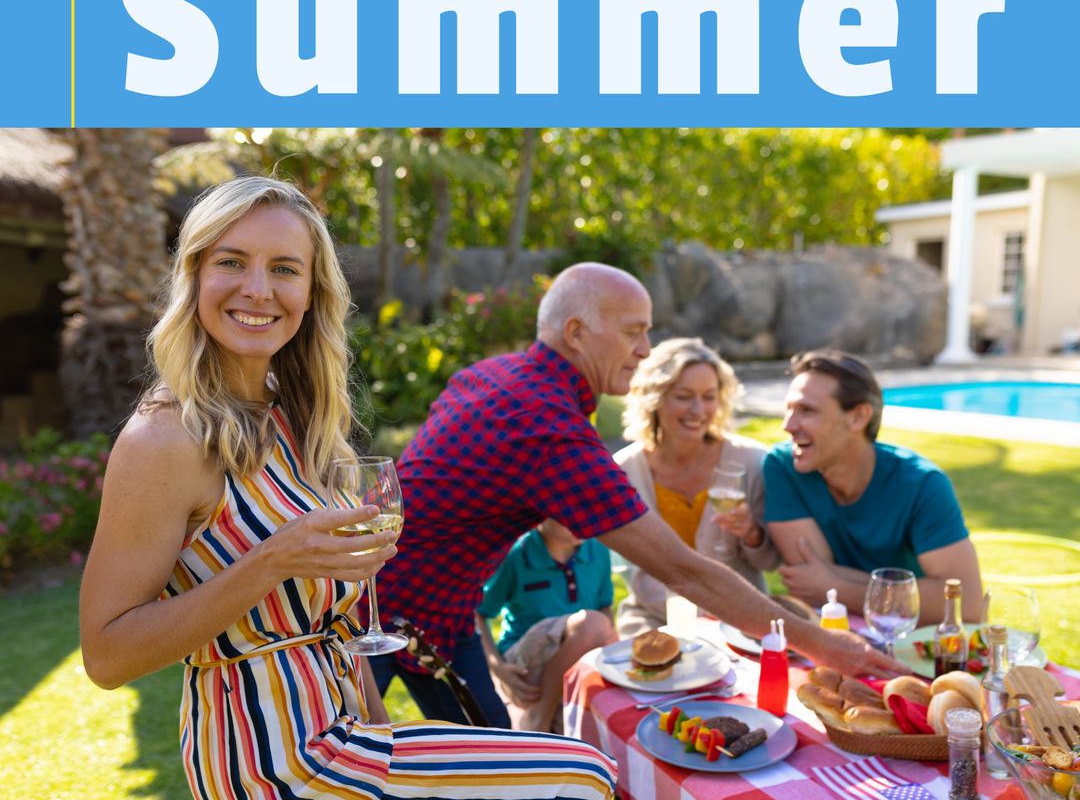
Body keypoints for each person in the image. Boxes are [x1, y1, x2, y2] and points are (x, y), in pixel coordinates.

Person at [79, 176, 615, 800]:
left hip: (342, 733)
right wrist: (272, 561)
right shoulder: (163, 438)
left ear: (310, 293)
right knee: (578, 780)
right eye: (231, 262)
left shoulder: (287, 415)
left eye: (283, 268)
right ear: (193, 277)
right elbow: (106, 656)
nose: (258, 288)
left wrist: (383, 732)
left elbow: (342, 628)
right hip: (269, 764)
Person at [371, 262, 906, 723]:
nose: (645, 350)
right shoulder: (545, 422)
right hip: (367, 612)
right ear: (577, 332)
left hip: (437, 612)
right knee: (355, 790)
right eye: (633, 332)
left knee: (485, 769)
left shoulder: (497, 375)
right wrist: (824, 644)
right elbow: (683, 569)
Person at [764, 349, 983, 624]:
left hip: (909, 646)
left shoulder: (922, 484)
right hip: (827, 636)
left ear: (858, 417)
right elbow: (807, 577)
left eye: (807, 411)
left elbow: (967, 606)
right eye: (789, 409)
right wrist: (905, 591)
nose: (788, 425)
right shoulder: (783, 467)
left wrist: (838, 588)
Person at [614, 337, 779, 637]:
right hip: (652, 621)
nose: (698, 409)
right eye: (684, 396)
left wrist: (751, 533)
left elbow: (768, 563)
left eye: (709, 396)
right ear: (656, 397)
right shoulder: (624, 470)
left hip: (739, 623)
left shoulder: (752, 461)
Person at [477, 518, 618, 734]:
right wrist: (497, 668)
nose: (581, 519)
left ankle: (555, 719)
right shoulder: (516, 554)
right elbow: (478, 613)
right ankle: (539, 715)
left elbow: (604, 607)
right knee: (593, 624)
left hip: (576, 662)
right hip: (528, 666)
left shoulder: (597, 549)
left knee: (584, 734)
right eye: (568, 512)